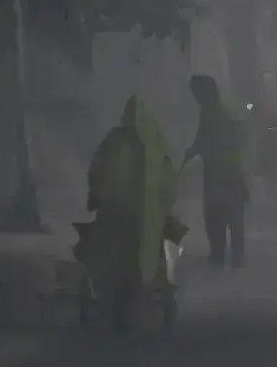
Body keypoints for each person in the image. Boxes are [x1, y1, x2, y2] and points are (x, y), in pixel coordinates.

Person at [74, 97, 187, 331]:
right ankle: (149, 295)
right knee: (153, 257)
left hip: (113, 217)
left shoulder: (113, 142)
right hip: (150, 220)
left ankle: (113, 302)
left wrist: (96, 196)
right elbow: (171, 185)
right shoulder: (159, 144)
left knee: (110, 259)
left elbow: (96, 173)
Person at [183, 75, 249, 268]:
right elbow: (202, 137)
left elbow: (239, 140)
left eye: (198, 93)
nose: (197, 98)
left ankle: (228, 255)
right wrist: (193, 150)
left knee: (225, 214)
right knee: (220, 214)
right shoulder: (208, 112)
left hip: (228, 172)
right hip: (217, 171)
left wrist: (197, 149)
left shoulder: (225, 113)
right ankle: (224, 254)